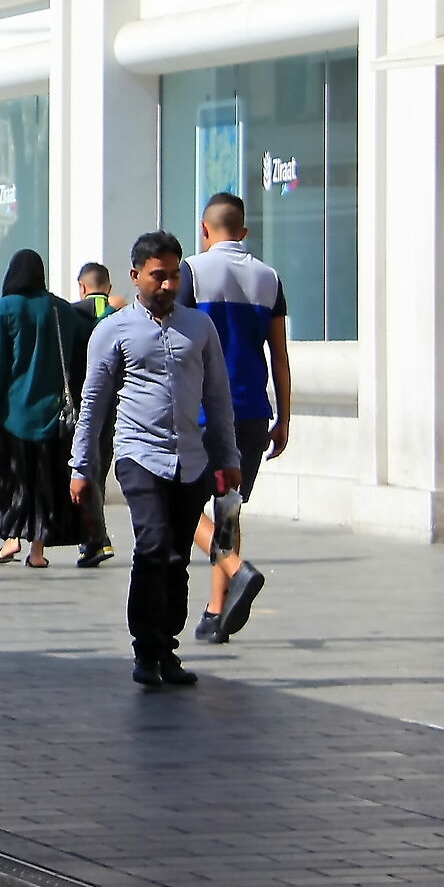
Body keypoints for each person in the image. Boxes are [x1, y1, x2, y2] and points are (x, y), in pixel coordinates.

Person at [71, 231, 242, 689]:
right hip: (139, 456)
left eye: (174, 276)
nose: (168, 286)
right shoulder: (112, 330)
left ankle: (167, 647)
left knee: (176, 556)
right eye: (158, 277)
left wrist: (228, 457)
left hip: (191, 460)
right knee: (152, 545)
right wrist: (81, 466)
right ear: (135, 276)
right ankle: (144, 649)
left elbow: (218, 398)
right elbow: (93, 403)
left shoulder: (199, 327)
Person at [180, 193, 292, 644]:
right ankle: (216, 610)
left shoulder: (191, 271)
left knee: (180, 507)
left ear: (204, 229)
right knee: (228, 507)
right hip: (250, 414)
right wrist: (284, 417)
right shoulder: (269, 278)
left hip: (203, 412)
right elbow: (279, 356)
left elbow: (178, 342)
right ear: (243, 232)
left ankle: (235, 569)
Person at [0, 251, 78, 568]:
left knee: (7, 477)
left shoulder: (5, 308)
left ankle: (11, 540)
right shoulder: (59, 309)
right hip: (50, 416)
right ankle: (37, 552)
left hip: (13, 415)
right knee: (45, 481)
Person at [62, 264, 120, 568]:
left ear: (81, 286)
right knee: (98, 468)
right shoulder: (117, 315)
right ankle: (93, 538)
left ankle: (96, 538)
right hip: (112, 404)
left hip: (81, 404)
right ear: (107, 287)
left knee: (84, 469)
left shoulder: (71, 314)